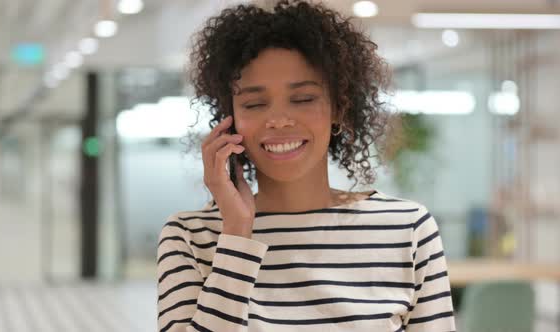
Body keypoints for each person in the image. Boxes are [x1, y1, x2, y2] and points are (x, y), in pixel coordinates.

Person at [157, 1, 456, 331]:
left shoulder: (407, 228)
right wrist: (237, 236)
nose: (279, 120)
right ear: (229, 120)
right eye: (254, 104)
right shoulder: (190, 237)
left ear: (339, 109)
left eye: (303, 99)